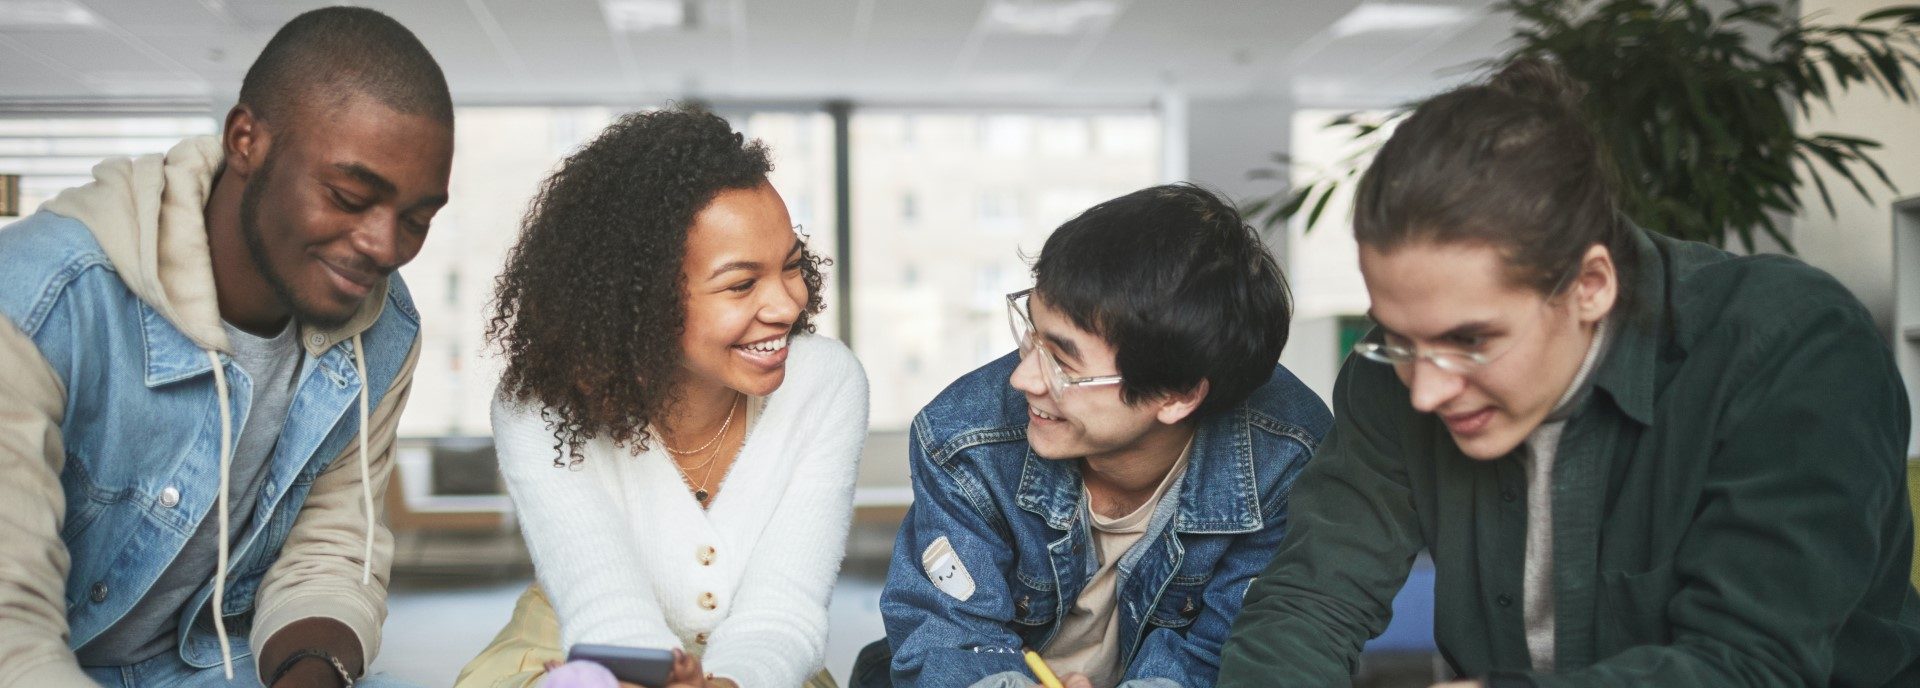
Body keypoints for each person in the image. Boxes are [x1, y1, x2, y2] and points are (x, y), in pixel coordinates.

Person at [1217, 58, 1920, 687]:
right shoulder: (1391, 376)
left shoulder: (1794, 349)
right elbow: (1311, 602)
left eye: (1470, 340)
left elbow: (1749, 664)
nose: (1426, 390)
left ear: (1590, 285)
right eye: (1398, 339)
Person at [0, 6, 452, 687]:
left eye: (416, 219)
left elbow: (329, 554)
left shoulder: (384, 329)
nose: (384, 247)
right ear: (246, 139)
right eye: (349, 195)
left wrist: (313, 673)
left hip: (204, 662)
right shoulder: (40, 298)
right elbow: (12, 625)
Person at [455, 106, 868, 688]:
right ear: (641, 300)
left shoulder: (827, 385)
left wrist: (726, 684)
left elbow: (784, 612)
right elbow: (606, 610)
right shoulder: (539, 406)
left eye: (792, 267)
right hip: (586, 654)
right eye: (742, 284)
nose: (786, 305)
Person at [866, 184, 1332, 688]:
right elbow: (950, 638)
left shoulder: (1287, 457)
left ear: (1177, 394)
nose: (1024, 379)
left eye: (1063, 362)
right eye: (1032, 334)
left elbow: (1231, 656)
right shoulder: (965, 437)